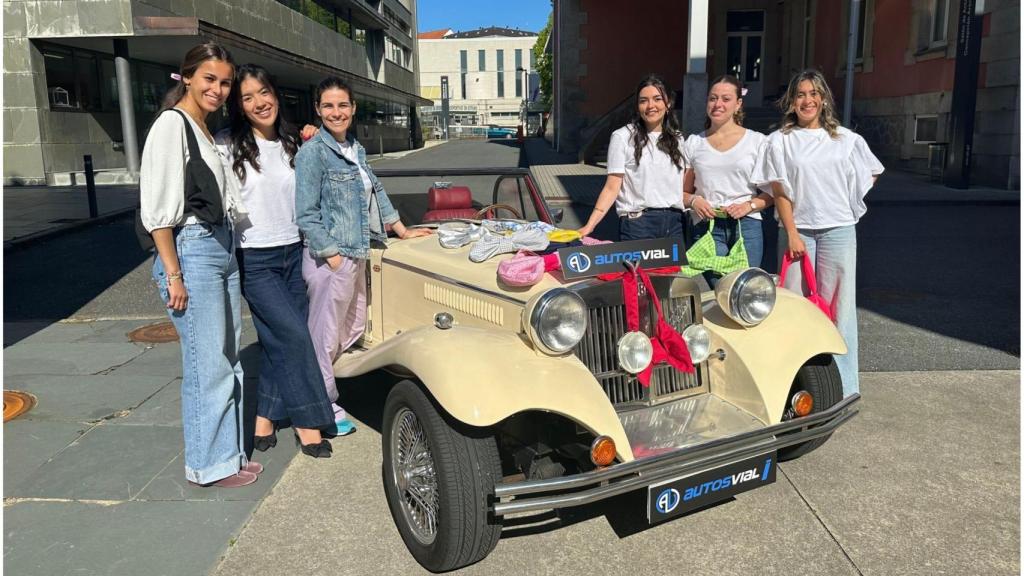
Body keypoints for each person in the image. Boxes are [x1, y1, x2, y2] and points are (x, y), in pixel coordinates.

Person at [139, 43, 260, 487]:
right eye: (210, 79)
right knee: (206, 363)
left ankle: (228, 455)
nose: (219, 89)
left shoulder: (204, 129)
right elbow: (158, 209)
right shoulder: (172, 126)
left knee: (228, 357)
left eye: (225, 82)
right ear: (186, 76)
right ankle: (208, 466)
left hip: (220, 246)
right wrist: (174, 273)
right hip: (192, 248)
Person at [295, 77, 431, 435]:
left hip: (358, 252)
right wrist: (334, 258)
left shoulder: (355, 148)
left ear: (353, 109)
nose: (336, 112)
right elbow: (306, 214)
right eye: (328, 106)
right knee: (323, 336)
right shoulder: (313, 153)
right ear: (318, 110)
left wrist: (400, 229)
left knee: (354, 325)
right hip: (331, 258)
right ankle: (324, 406)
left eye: (342, 105)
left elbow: (377, 190)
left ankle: (325, 386)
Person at [216, 64, 335, 459]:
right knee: (294, 336)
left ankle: (264, 417)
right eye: (247, 98)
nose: (257, 103)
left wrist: (314, 138)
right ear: (239, 106)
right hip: (255, 258)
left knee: (275, 340)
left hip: (293, 251)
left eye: (262, 93)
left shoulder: (292, 142)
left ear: (275, 94)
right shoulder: (226, 145)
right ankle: (309, 421)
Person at [753, 69, 884, 397]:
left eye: (813, 94)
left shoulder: (846, 140)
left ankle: (844, 387)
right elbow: (779, 191)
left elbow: (871, 173)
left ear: (824, 99)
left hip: (839, 230)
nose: (807, 100)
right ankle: (798, 386)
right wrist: (793, 232)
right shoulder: (780, 140)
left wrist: (846, 198)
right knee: (797, 308)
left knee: (840, 308)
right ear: (792, 101)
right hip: (799, 233)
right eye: (800, 95)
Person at [682, 75, 774, 286]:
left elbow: (771, 193)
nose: (718, 104)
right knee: (718, 289)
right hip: (708, 227)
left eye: (725, 99)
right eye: (713, 98)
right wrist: (695, 201)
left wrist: (748, 205)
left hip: (747, 226)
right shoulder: (695, 143)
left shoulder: (757, 141)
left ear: (738, 104)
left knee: (745, 289)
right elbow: (683, 193)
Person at [578, 74, 687, 241]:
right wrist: (590, 225)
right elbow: (611, 187)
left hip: (674, 223)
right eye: (643, 101)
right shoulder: (622, 137)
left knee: (673, 269)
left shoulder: (677, 139)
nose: (651, 105)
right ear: (637, 106)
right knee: (637, 269)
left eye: (657, 99)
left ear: (668, 103)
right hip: (638, 225)